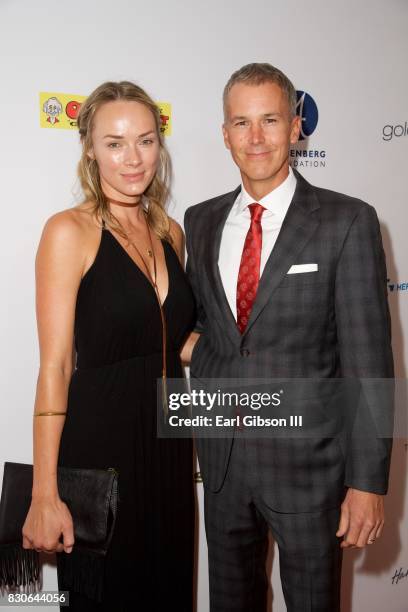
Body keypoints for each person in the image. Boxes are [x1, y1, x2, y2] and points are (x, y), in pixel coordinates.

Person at [184, 63, 394, 611]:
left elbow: (367, 360)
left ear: (296, 126)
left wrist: (368, 484)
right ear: (224, 133)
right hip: (223, 469)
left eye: (270, 120)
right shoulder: (199, 221)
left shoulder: (346, 221)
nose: (255, 138)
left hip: (313, 473)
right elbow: (206, 328)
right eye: (241, 123)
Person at [22, 81, 197, 611]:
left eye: (145, 140)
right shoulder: (68, 231)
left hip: (169, 448)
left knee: (170, 591)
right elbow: (54, 365)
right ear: (90, 149)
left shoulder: (170, 230)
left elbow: (168, 339)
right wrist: (44, 493)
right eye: (115, 142)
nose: (132, 158)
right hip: (101, 454)